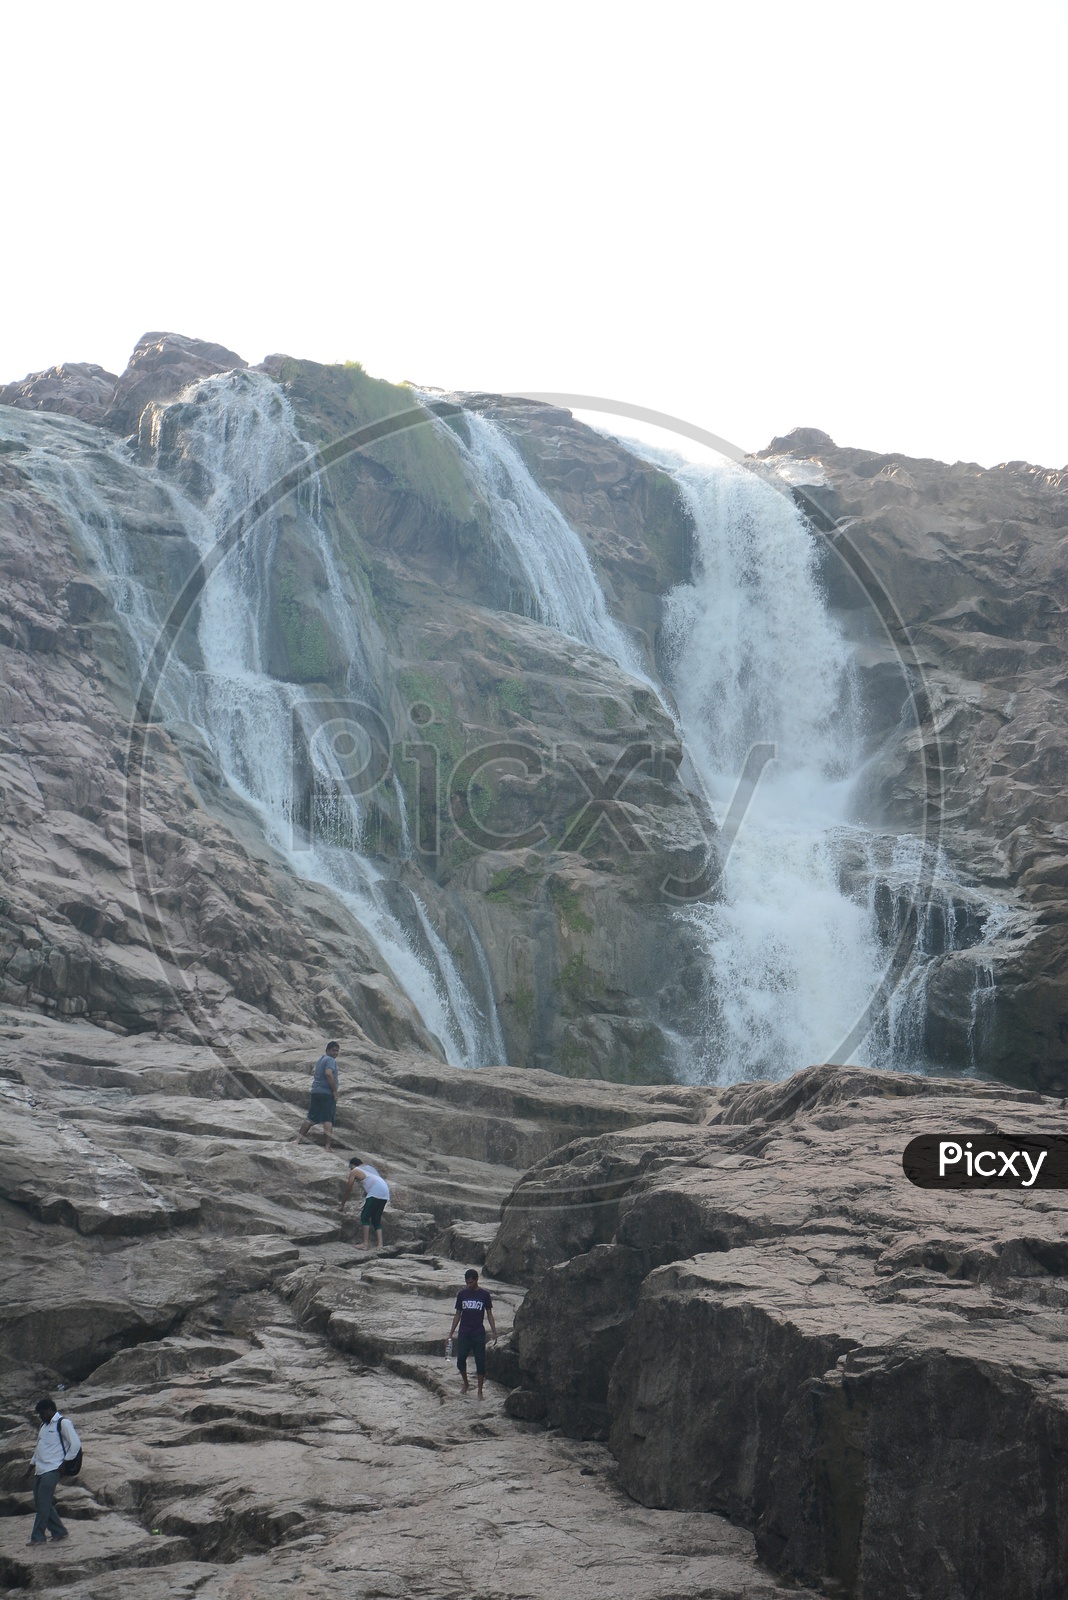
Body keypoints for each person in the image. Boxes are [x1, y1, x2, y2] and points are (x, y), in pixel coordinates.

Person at [28, 1398, 80, 1545]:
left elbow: (75, 1445)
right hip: (40, 1470)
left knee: (43, 1503)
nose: (40, 1416)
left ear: (50, 1409)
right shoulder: (43, 1426)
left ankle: (38, 1537)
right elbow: (39, 1449)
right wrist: (29, 1469)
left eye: (42, 1413)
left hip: (53, 1469)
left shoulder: (63, 1423)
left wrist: (64, 1464)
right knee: (40, 1503)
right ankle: (59, 1531)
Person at [447, 1269, 498, 1399]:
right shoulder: (462, 1294)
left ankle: (480, 1391)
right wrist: (451, 1333)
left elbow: (489, 1314)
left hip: (478, 1333)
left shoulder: (484, 1295)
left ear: (476, 1280)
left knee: (480, 1363)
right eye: (467, 1282)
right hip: (464, 1332)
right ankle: (466, 1383)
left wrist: (494, 1331)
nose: (469, 1284)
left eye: (471, 1282)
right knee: (460, 1361)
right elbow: (457, 1314)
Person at [293, 1041, 340, 1151]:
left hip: (316, 1091)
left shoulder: (321, 1059)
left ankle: (297, 1140)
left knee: (310, 1118)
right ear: (327, 1050)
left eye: (337, 1051)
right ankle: (327, 1146)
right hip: (327, 1093)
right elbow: (328, 1073)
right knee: (328, 1120)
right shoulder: (330, 1060)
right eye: (333, 1050)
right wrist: (334, 1090)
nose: (335, 1053)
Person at [338, 1158, 390, 1248]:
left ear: (353, 1165)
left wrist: (342, 1204)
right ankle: (380, 1245)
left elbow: (348, 1188)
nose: (351, 1169)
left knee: (365, 1217)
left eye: (351, 1167)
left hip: (375, 1192)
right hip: (385, 1192)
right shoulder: (369, 1168)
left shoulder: (355, 1171)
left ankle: (365, 1244)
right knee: (376, 1219)